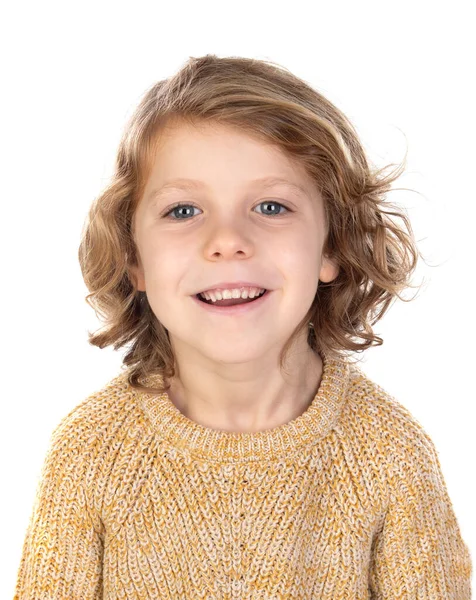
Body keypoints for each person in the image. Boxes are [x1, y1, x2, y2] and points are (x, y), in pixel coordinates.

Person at [14, 54, 472, 599]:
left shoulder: (390, 454)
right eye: (183, 211)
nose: (227, 239)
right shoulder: (90, 453)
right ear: (133, 258)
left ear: (331, 246)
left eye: (272, 206)